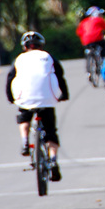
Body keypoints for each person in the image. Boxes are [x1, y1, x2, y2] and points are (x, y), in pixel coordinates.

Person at [6, 31, 69, 182]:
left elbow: (10, 78)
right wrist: (64, 95)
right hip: (47, 99)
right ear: (41, 45)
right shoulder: (48, 57)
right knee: (50, 133)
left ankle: (25, 141)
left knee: (23, 115)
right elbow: (60, 76)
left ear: (24, 47)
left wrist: (11, 97)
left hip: (25, 99)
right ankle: (53, 160)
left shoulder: (19, 59)